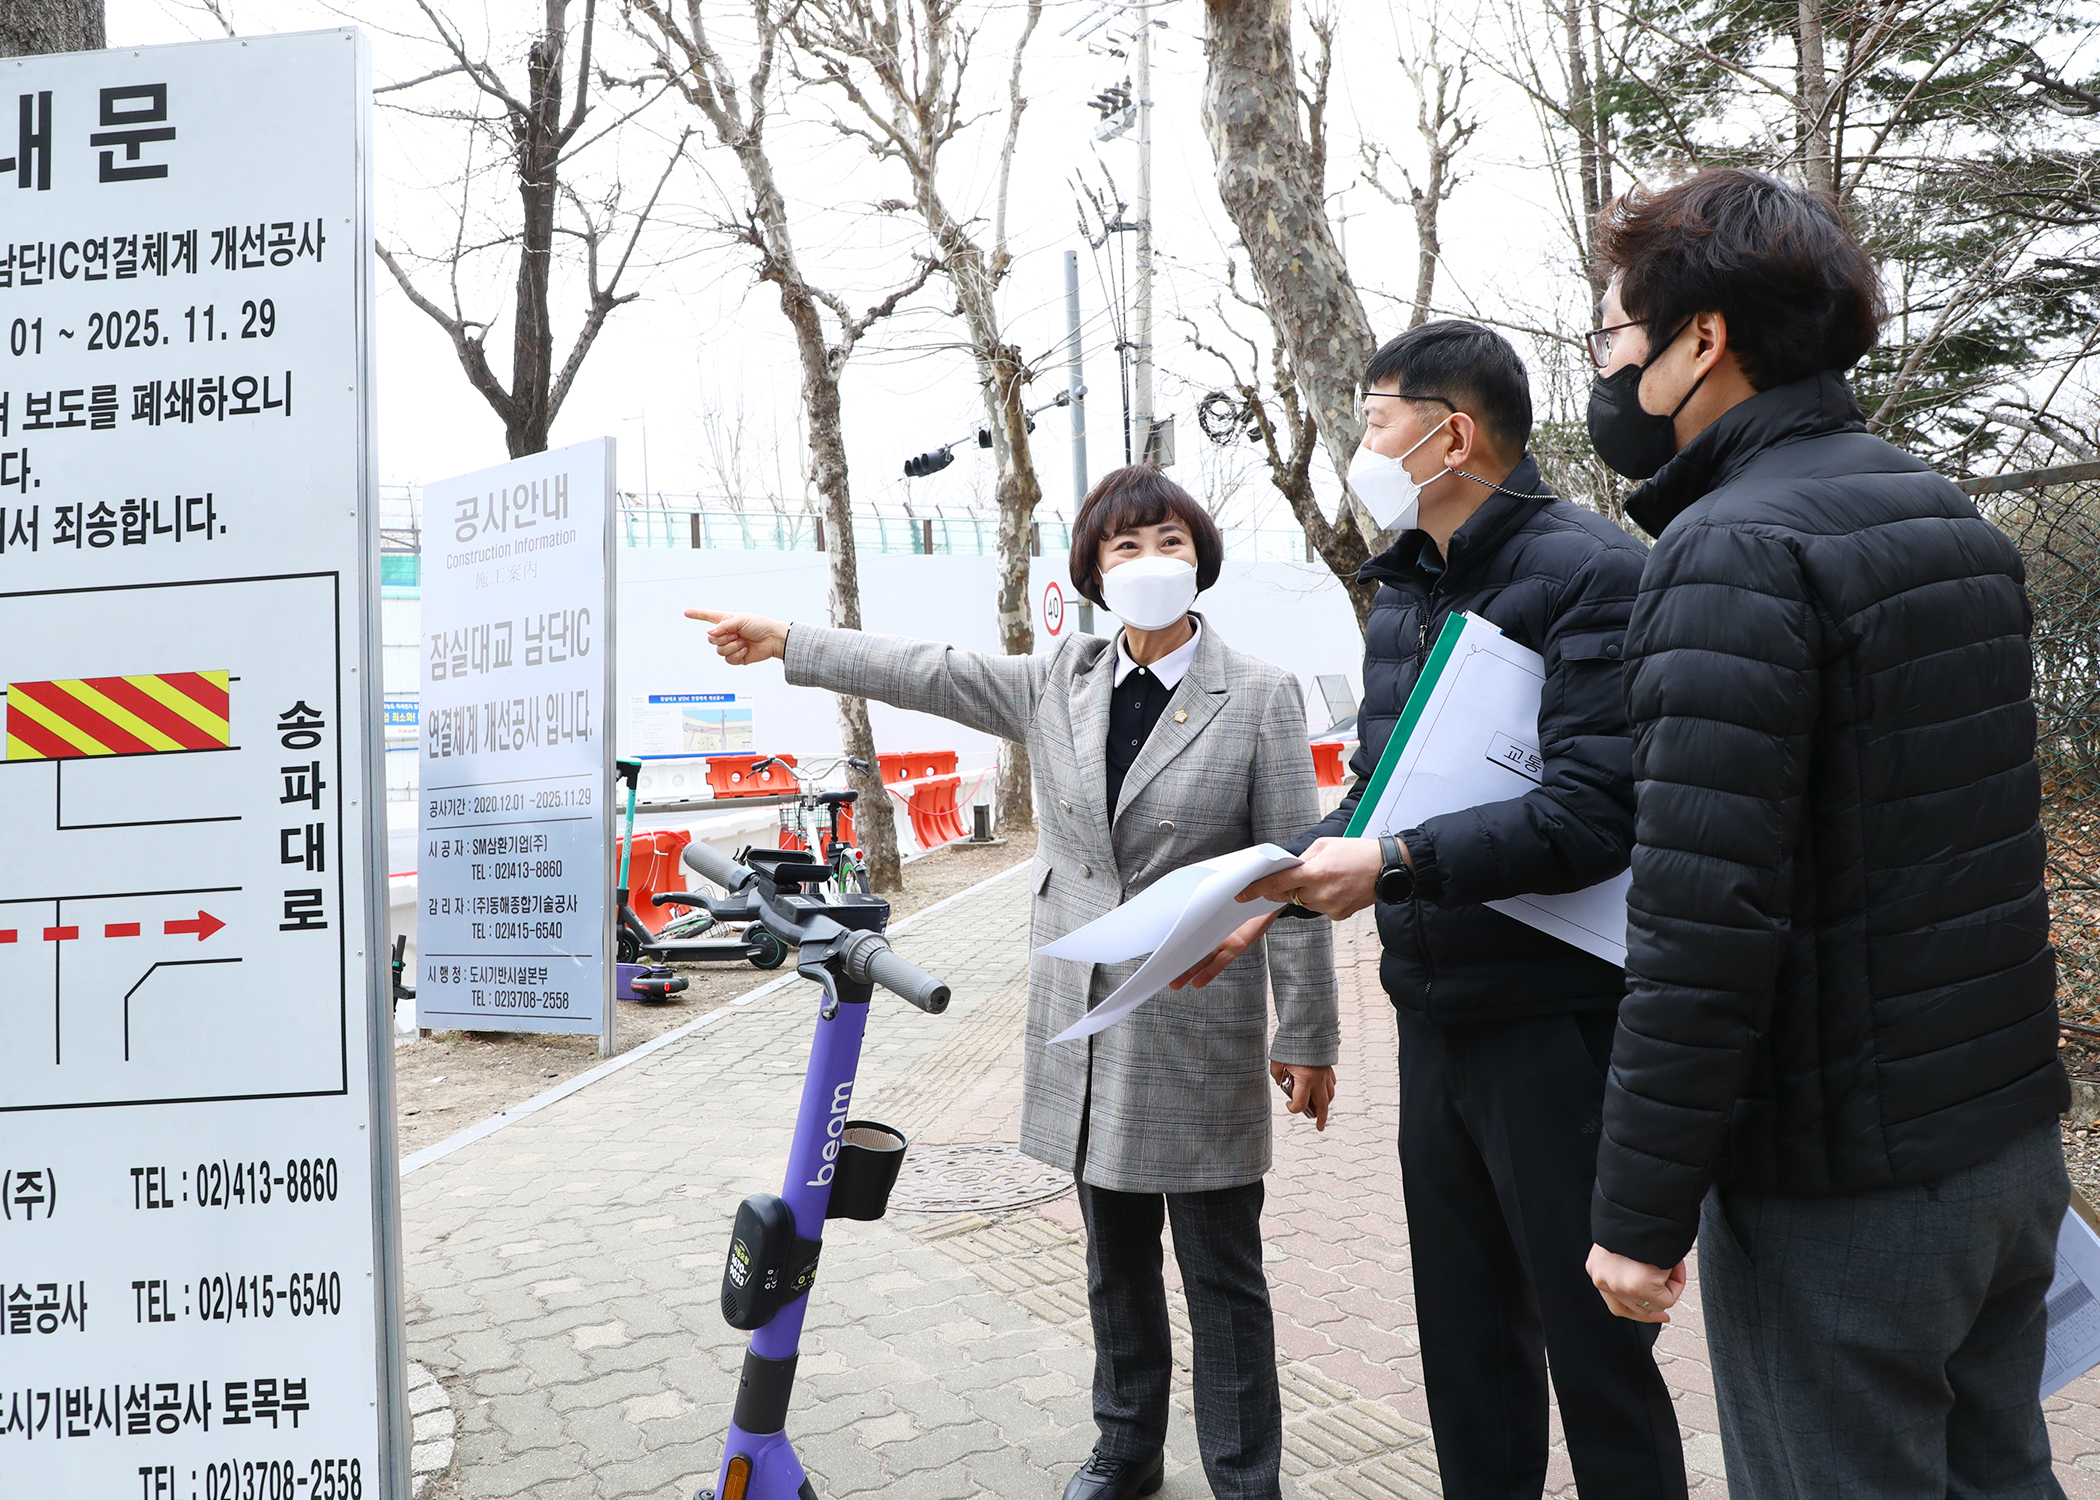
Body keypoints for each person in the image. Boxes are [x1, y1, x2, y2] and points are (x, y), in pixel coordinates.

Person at [688, 465, 1338, 1500]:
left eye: (1168, 540)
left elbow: (1296, 873)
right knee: (1113, 1260)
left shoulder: (1256, 693)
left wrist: (1306, 1034)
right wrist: (790, 644)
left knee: (1222, 1275)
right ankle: (1124, 1450)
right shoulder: (1060, 679)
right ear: (1092, 570)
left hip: (1197, 1016)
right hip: (1085, 1018)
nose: (1149, 563)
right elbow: (930, 670)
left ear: (1200, 557)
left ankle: (1243, 1475)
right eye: (1125, 547)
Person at [1579, 168, 2073, 1498]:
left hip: (1842, 1190)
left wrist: (1637, 1214)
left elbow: (1701, 921)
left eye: (1620, 335)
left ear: (1703, 341)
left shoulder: (1732, 553)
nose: (1611, 366)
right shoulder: (1940, 512)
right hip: (2004, 1149)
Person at [1196, 319, 1688, 1499]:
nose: (1359, 445)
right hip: (1437, 1016)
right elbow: (1379, 792)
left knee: (1597, 1355)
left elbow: (1588, 817)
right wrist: (1268, 884)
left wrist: (1397, 862)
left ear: (1451, 432)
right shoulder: (1403, 585)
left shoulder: (1589, 573)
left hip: (1559, 1027)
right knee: (1466, 1351)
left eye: (1373, 419)